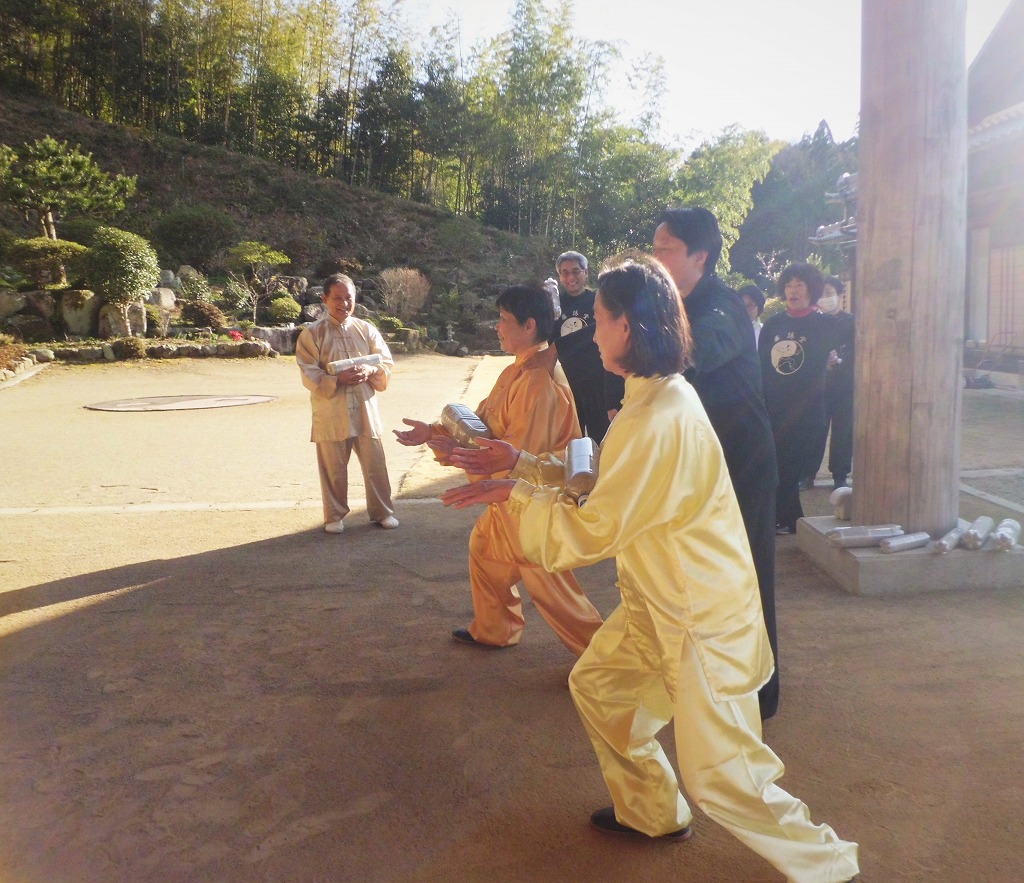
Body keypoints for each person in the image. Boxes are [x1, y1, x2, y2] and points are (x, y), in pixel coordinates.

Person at [441, 258, 859, 882]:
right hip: (658, 603)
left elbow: (593, 528)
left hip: (697, 618)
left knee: (724, 777)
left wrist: (516, 494)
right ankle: (651, 810)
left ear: (629, 327)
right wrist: (521, 465)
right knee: (601, 689)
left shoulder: (659, 414)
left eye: (600, 320)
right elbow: (605, 477)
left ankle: (829, 866)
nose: (591, 333)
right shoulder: (653, 396)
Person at [394, 284, 603, 655]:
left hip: (529, 503)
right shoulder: (517, 371)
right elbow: (482, 424)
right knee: (486, 553)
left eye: (504, 319)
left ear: (529, 325)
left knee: (553, 591)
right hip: (509, 502)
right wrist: (436, 433)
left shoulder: (537, 381)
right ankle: (495, 629)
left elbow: (515, 458)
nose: (497, 326)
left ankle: (604, 659)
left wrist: (461, 457)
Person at [652, 208, 780, 721]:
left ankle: (760, 692)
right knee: (704, 576)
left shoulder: (722, 306)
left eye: (665, 250)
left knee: (748, 574)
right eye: (655, 249)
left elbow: (693, 353)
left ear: (699, 256)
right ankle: (716, 679)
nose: (657, 259)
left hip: (743, 462)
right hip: (702, 466)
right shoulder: (677, 304)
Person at [296, 273, 398, 534]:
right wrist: (337, 379)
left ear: (355, 298)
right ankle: (334, 515)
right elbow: (308, 370)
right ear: (325, 299)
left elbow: (385, 361)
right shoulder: (312, 333)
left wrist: (370, 370)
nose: (344, 303)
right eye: (337, 298)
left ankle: (382, 512)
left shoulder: (366, 329)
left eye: (348, 298)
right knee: (333, 467)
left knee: (375, 464)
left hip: (365, 406)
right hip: (331, 409)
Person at [758, 263, 837, 534]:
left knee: (790, 467)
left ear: (811, 289)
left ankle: (779, 518)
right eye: (789, 285)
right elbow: (761, 365)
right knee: (777, 465)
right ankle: (791, 520)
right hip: (774, 410)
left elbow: (846, 347)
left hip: (807, 412)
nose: (793, 290)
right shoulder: (773, 324)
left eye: (799, 285)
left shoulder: (825, 325)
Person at [545, 251, 626, 442]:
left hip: (597, 378)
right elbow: (546, 339)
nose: (570, 277)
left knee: (602, 435)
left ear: (586, 273)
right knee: (571, 437)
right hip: (567, 380)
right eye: (565, 272)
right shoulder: (555, 304)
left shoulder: (599, 301)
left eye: (576, 271)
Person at [803, 276, 855, 490]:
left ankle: (840, 475)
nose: (825, 298)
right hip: (820, 386)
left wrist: (840, 361)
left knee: (843, 431)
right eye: (821, 294)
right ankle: (808, 474)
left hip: (845, 386)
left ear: (840, 295)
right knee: (815, 429)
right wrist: (822, 362)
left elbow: (857, 349)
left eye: (829, 293)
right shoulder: (813, 322)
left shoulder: (852, 322)